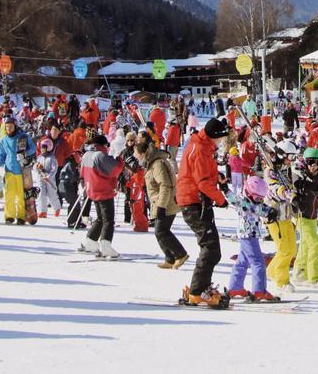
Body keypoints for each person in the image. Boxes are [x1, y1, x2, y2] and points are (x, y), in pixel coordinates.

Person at [176, 117, 230, 307]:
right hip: (193, 202)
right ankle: (197, 291)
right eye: (221, 138)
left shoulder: (202, 145)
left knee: (211, 248)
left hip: (196, 200)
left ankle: (200, 287)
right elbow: (202, 182)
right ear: (213, 136)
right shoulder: (200, 150)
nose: (222, 142)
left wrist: (218, 176)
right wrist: (221, 199)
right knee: (211, 248)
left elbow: (204, 173)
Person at [134, 137, 188, 269]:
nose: (135, 157)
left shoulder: (157, 164)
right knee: (160, 231)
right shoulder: (151, 163)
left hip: (166, 202)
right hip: (159, 202)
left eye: (136, 154)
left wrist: (161, 206)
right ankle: (169, 258)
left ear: (143, 153)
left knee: (161, 231)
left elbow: (165, 185)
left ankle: (180, 254)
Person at [226, 176, 277, 302]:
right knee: (258, 262)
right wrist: (224, 188)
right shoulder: (245, 204)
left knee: (242, 262)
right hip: (248, 236)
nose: (259, 200)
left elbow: (260, 207)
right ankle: (259, 291)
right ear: (248, 192)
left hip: (246, 236)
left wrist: (270, 211)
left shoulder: (252, 202)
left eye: (261, 198)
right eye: (257, 198)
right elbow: (257, 208)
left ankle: (235, 287)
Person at [79, 134, 125, 259]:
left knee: (100, 218)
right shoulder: (99, 155)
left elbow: (82, 173)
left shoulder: (86, 155)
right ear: (103, 145)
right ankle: (106, 246)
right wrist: (120, 159)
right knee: (108, 220)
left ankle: (90, 242)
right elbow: (115, 169)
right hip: (103, 190)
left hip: (92, 189)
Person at [293, 147, 318, 287]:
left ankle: (299, 272)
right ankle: (315, 277)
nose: (314, 166)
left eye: (317, 163)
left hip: (313, 216)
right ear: (304, 162)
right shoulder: (299, 175)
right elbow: (294, 190)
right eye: (310, 162)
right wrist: (296, 200)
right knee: (315, 245)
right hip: (302, 216)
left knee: (306, 245)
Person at [265, 140, 298, 292]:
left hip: (286, 213)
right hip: (274, 214)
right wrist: (284, 193)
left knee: (291, 249)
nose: (291, 160)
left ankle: (271, 271)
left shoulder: (286, 168)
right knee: (284, 249)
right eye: (290, 157)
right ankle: (281, 280)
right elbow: (273, 187)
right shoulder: (270, 169)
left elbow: (291, 184)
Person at [0, 117, 33, 224]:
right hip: (9, 169)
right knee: (9, 194)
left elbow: (33, 148)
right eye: (6, 127)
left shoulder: (22, 137)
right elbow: (1, 154)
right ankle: (9, 216)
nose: (9, 129)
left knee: (21, 195)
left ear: (15, 126)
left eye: (11, 126)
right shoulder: (4, 140)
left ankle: (21, 216)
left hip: (21, 169)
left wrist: (25, 153)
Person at [34, 138, 59, 218]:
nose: (42, 150)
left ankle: (57, 208)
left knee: (52, 194)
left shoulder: (52, 158)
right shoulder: (39, 158)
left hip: (49, 180)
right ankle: (43, 211)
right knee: (41, 194)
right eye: (41, 148)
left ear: (48, 148)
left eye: (44, 148)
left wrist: (49, 176)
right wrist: (38, 168)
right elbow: (35, 167)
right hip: (41, 179)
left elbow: (54, 169)